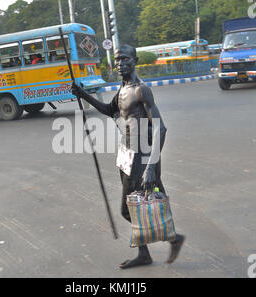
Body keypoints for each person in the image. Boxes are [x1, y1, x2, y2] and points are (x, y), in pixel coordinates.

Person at [72, 44, 185, 269]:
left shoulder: (141, 90)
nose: (120, 63)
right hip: (126, 154)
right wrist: (82, 94)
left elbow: (161, 129)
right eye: (117, 60)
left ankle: (167, 241)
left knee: (130, 208)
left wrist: (151, 167)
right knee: (147, 204)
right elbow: (109, 110)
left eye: (125, 59)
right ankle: (155, 247)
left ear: (135, 60)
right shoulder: (122, 89)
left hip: (143, 157)